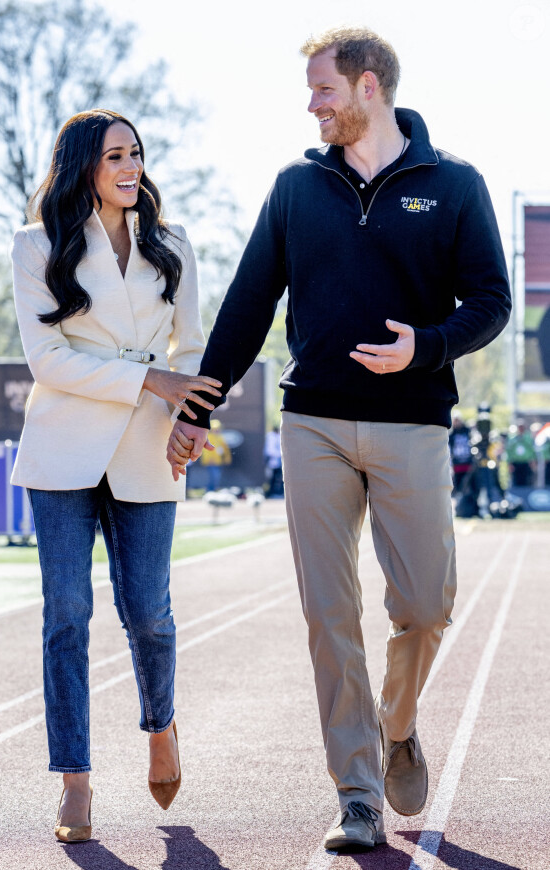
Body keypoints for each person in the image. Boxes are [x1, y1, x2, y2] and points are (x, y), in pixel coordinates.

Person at [167, 26, 511, 852]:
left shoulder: (455, 184)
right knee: (330, 617)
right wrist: (197, 412)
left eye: (323, 89)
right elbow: (248, 308)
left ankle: (397, 724)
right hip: (313, 421)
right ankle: (356, 792)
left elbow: (491, 301)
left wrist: (423, 348)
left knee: (426, 607)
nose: (313, 105)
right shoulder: (296, 186)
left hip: (414, 421)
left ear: (368, 88)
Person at [10, 109, 221, 843]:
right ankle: (75, 781)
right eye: (113, 157)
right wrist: (148, 382)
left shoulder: (175, 244)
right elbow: (49, 361)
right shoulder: (36, 245)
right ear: (81, 168)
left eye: (135, 154)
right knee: (66, 613)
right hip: (61, 452)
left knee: (150, 612)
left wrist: (191, 416)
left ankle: (161, 726)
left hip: (148, 449)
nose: (130, 167)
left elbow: (190, 347)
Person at [199, 418, 232, 491]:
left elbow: (225, 449)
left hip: (219, 462)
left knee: (216, 477)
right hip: (211, 462)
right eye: (215, 429)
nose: (216, 430)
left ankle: (212, 490)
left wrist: (227, 459)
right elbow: (206, 451)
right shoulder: (209, 437)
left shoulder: (220, 437)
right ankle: (210, 490)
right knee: (214, 477)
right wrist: (209, 459)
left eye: (218, 429)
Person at [505, 420, 537, 487]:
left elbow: (532, 450)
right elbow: (509, 451)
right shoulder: (512, 438)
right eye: (519, 427)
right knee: (516, 481)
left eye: (522, 427)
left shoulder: (528, 438)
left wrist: (533, 461)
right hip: (516, 463)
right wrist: (509, 463)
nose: (521, 429)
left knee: (527, 480)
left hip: (526, 463)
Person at [264, 424, 283, 497]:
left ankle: (278, 492)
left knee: (279, 477)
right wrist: (280, 454)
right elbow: (270, 450)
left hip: (278, 461)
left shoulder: (278, 436)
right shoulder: (271, 436)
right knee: (271, 478)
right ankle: (269, 493)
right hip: (272, 461)